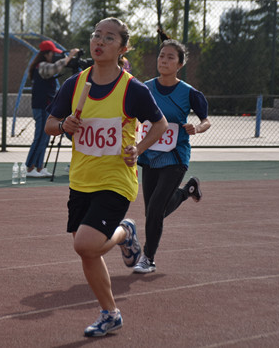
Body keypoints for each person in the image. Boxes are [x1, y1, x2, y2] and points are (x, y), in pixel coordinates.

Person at [45, 17, 168, 337]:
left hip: (116, 180)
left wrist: (138, 149)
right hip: (81, 179)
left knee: (86, 245)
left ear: (123, 48)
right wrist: (63, 127)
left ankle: (124, 233)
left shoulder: (132, 89)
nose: (99, 41)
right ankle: (110, 313)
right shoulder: (75, 84)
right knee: (86, 249)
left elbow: (160, 125)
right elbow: (50, 124)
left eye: (109, 38)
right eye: (96, 35)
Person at [133, 29, 211, 274]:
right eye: (161, 56)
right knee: (152, 212)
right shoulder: (144, 88)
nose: (163, 61)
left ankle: (148, 258)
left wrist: (196, 128)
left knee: (155, 210)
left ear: (180, 64)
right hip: (149, 154)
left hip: (176, 156)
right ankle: (188, 191)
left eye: (169, 58)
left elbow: (207, 120)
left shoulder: (189, 93)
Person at [25, 40, 79, 178]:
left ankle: (38, 167)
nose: (53, 57)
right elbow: (54, 68)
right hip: (41, 105)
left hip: (44, 105)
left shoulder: (40, 66)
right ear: (46, 54)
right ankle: (30, 168)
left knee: (44, 138)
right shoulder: (41, 66)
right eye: (52, 54)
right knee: (40, 137)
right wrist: (69, 57)